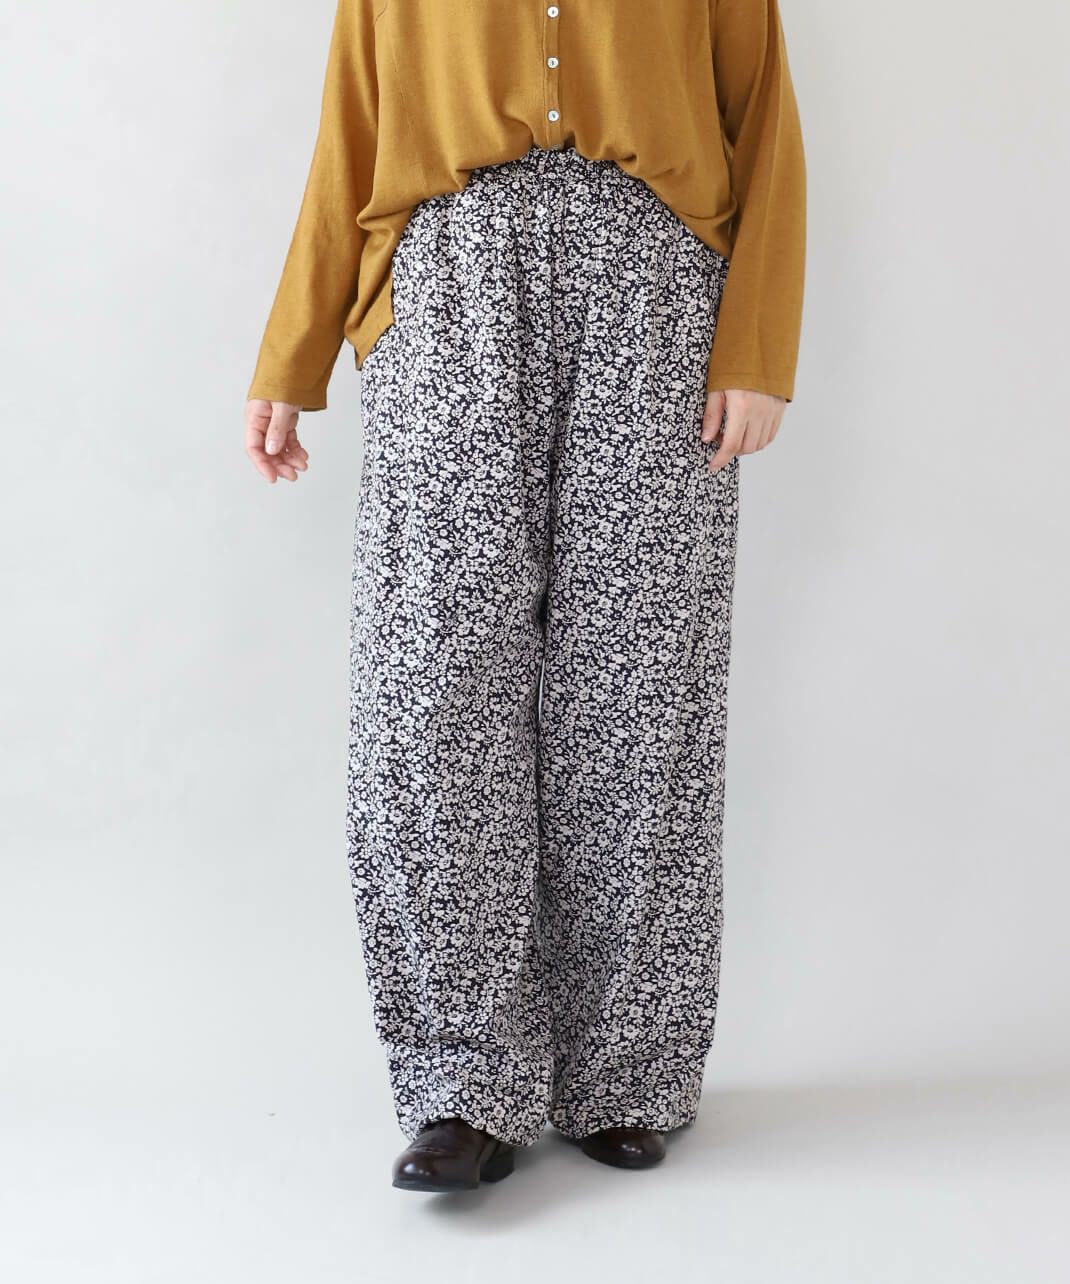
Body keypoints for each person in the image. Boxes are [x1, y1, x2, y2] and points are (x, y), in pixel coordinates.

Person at [244, 0, 805, 1193]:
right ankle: (462, 1084)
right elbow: (352, 127)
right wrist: (291, 356)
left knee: (638, 691)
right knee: (432, 690)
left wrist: (754, 348)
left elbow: (762, 125)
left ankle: (627, 1071)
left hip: (655, 293)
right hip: (446, 290)